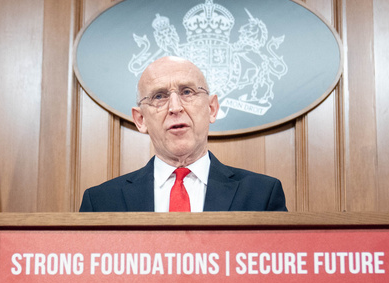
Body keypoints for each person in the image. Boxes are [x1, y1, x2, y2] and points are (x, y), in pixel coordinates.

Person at [79, 56, 287, 212]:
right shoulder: (100, 202)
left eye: (187, 92)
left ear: (212, 109)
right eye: (159, 96)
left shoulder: (262, 195)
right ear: (141, 120)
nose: (175, 107)